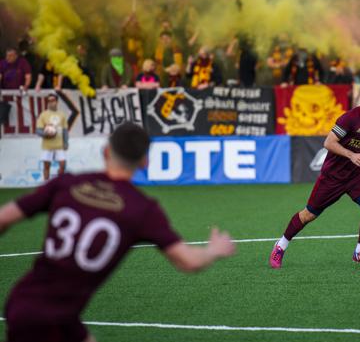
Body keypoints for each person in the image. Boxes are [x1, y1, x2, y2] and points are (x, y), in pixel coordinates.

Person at [0, 122, 236, 342]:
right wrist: (213, 250)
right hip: (49, 318)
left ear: (105, 151)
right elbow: (189, 261)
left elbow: (3, 218)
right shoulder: (142, 209)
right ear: (145, 161)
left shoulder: (66, 183)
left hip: (32, 305)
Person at [270, 79, 360, 269]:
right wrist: (351, 155)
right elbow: (329, 142)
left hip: (356, 176)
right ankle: (280, 245)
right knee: (308, 215)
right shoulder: (349, 118)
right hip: (332, 177)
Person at [36, 93, 68, 181]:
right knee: (46, 166)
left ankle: (58, 181)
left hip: (59, 145)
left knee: (63, 165)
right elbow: (38, 130)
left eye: (52, 100)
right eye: (49, 101)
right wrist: (46, 134)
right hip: (47, 145)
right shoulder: (43, 115)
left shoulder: (62, 115)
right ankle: (46, 184)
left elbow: (65, 130)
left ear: (57, 102)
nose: (50, 102)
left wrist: (66, 142)